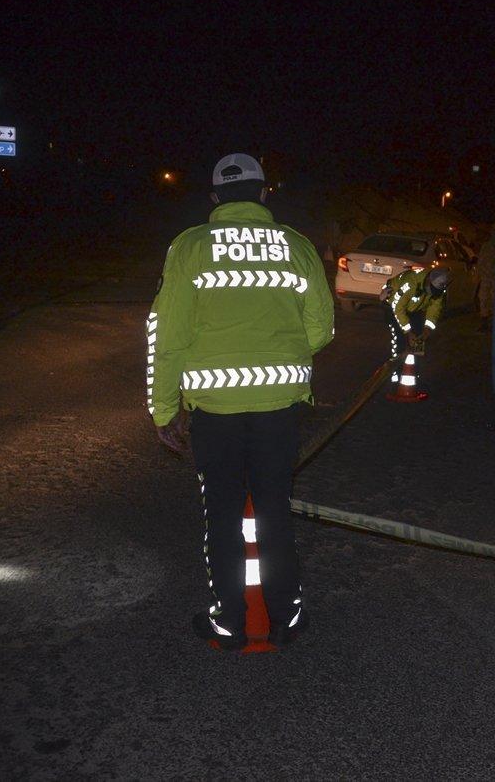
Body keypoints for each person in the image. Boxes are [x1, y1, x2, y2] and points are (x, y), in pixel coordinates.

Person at [147, 153, 334, 651]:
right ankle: (287, 619)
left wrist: (165, 412)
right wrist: (278, 351)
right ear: (264, 193)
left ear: (214, 199)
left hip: (215, 413)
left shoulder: (189, 247)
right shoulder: (296, 246)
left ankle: (229, 622)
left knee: (222, 517)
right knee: (274, 509)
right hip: (280, 407)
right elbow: (321, 326)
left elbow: (168, 337)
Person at [381, 266, 451, 382]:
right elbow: (398, 308)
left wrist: (427, 329)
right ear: (428, 280)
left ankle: (414, 373)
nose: (432, 294)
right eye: (432, 290)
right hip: (392, 305)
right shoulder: (410, 283)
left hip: (415, 309)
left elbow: (434, 310)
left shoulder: (439, 291)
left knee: (418, 340)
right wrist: (408, 332)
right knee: (399, 340)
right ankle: (394, 374)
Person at [474, 224, 495, 332]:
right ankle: (485, 323)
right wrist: (478, 276)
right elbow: (481, 261)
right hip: (486, 278)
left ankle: (494, 323)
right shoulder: (487, 246)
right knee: (483, 298)